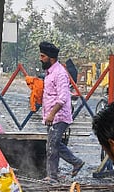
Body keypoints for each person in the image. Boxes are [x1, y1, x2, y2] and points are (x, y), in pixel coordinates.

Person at [39, 41, 85, 182]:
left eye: (43, 56)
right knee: (54, 143)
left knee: (52, 146)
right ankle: (76, 162)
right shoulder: (50, 72)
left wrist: (52, 114)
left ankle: (52, 176)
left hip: (59, 116)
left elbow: (63, 97)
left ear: (51, 58)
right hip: (52, 115)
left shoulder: (59, 74)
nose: (40, 59)